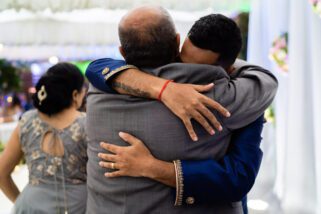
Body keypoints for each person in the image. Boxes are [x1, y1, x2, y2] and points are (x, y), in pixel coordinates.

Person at [86, 6, 277, 214]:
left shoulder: (100, 89)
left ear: (122, 51)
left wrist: (153, 167)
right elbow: (265, 80)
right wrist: (165, 89)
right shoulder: (220, 96)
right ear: (177, 42)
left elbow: (95, 68)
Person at [0, 63, 88, 214]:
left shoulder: (27, 121)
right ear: (75, 95)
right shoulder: (87, 123)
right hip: (77, 207)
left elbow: (1, 172)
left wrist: (22, 202)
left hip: (30, 207)